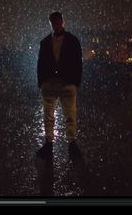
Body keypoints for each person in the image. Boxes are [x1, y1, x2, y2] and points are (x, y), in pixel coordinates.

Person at [36, 11, 83, 160]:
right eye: (55, 22)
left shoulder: (45, 42)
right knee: (68, 114)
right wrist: (75, 81)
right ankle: (70, 144)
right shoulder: (73, 40)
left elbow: (41, 63)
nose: (56, 25)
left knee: (53, 115)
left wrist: (41, 81)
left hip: (56, 82)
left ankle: (51, 145)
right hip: (62, 82)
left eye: (57, 22)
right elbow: (78, 62)